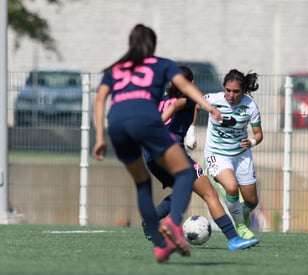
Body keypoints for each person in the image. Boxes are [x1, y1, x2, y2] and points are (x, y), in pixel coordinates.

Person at [92, 23, 221, 263]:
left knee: (142, 183)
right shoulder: (161, 64)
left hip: (117, 123)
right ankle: (172, 222)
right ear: (153, 44)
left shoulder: (116, 69)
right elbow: (185, 86)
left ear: (130, 43)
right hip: (145, 120)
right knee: (185, 174)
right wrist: (208, 106)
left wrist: (100, 136)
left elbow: (100, 99)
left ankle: (160, 244)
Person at [142, 66, 259, 250]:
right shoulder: (187, 96)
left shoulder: (163, 95)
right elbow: (176, 107)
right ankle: (234, 238)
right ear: (192, 84)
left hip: (150, 154)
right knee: (209, 193)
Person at [202, 69, 263, 240]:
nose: (231, 95)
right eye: (228, 90)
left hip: (241, 155)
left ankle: (241, 215)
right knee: (231, 187)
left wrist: (251, 142)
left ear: (243, 91)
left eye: (236, 91)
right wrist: (191, 131)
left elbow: (258, 134)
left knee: (252, 201)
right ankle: (240, 226)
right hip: (216, 154)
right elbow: (196, 105)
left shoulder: (250, 106)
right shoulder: (213, 100)